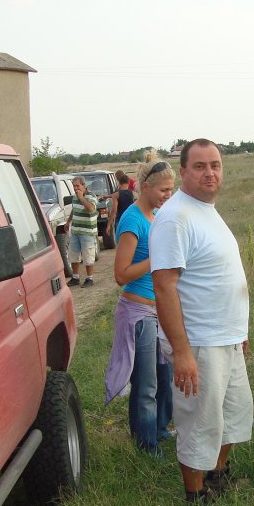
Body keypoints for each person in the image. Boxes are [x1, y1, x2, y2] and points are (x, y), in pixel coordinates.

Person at [151, 139, 253, 504]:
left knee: (233, 414)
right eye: (199, 166)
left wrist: (238, 332)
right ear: (183, 172)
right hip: (198, 341)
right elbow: (164, 287)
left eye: (215, 165)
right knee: (200, 422)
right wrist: (182, 352)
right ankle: (196, 496)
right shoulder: (175, 217)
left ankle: (217, 475)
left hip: (225, 338)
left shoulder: (206, 210)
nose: (210, 173)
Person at [104, 152, 176, 457]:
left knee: (164, 379)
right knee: (146, 385)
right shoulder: (133, 219)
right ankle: (147, 446)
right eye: (163, 190)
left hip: (160, 311)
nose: (168, 195)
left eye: (171, 190)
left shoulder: (156, 215)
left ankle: (160, 430)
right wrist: (156, 257)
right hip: (139, 313)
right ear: (145, 187)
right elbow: (121, 275)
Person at [67, 176, 98, 287]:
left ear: (84, 185)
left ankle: (90, 278)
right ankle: (75, 277)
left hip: (87, 232)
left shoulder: (91, 196)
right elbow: (74, 209)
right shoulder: (74, 197)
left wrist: (81, 198)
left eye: (78, 186)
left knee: (88, 256)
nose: (75, 188)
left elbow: (91, 209)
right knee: (74, 255)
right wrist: (68, 222)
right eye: (74, 186)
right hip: (75, 230)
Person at [107, 170, 136, 244]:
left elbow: (114, 210)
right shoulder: (134, 194)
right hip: (131, 220)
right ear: (128, 182)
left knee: (120, 243)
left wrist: (109, 224)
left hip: (120, 220)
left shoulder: (116, 195)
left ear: (119, 182)